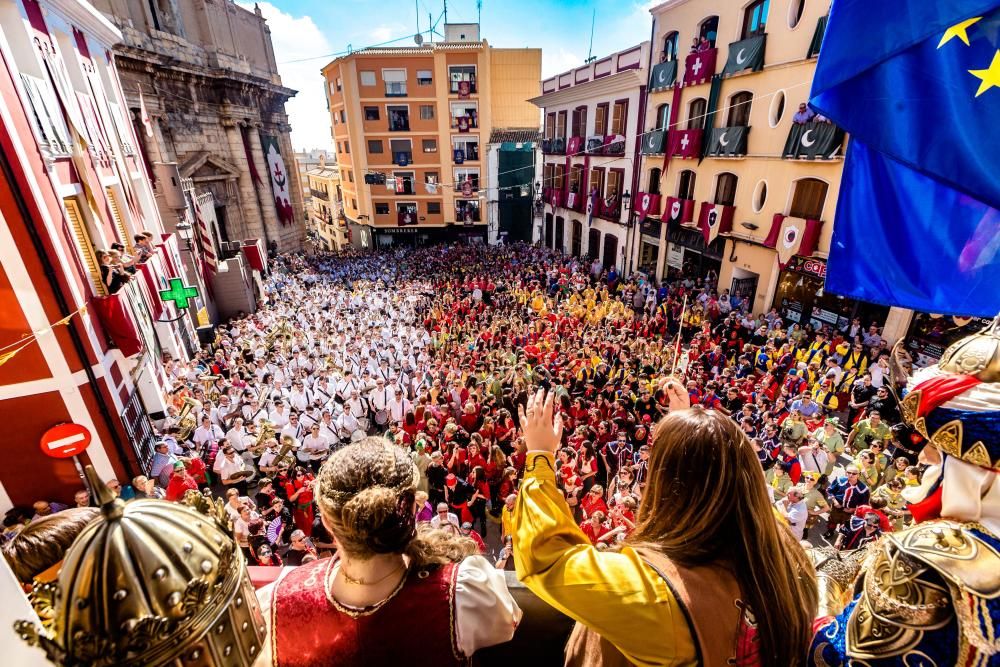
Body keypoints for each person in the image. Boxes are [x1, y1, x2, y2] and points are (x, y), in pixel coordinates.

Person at [513, 386, 818, 666]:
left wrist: (540, 455)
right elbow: (720, 472)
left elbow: (547, 557)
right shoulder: (786, 555)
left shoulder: (655, 596)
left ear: (672, 485)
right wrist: (689, 432)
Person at [256, 437, 520, 665]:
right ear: (413, 511)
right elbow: (509, 621)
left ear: (325, 521)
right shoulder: (464, 596)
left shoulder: (273, 606)